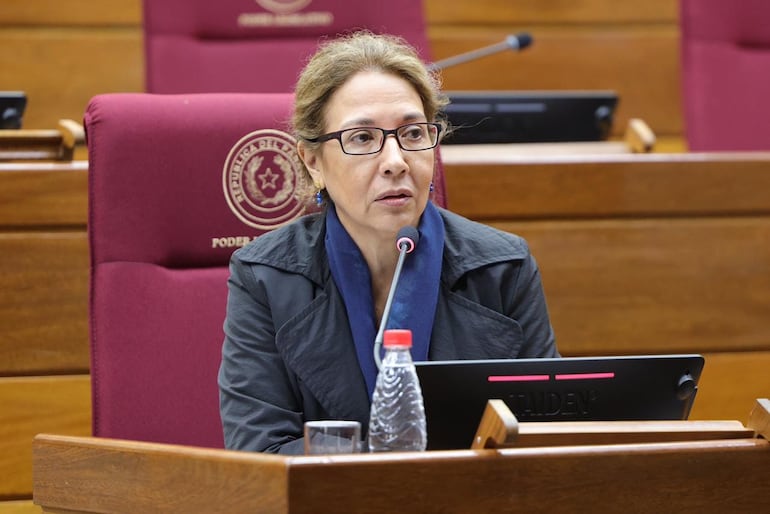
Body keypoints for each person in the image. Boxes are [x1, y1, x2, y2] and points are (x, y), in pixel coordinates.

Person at [218, 31, 559, 454]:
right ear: (312, 161)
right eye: (362, 139)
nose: (396, 162)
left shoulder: (503, 268)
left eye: (414, 133)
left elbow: (544, 441)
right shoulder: (265, 278)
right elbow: (259, 453)